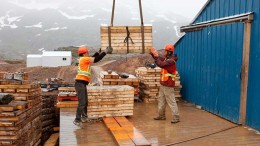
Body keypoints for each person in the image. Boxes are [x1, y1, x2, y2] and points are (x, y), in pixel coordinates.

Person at [73, 46, 113, 127]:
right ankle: (77, 120)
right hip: (80, 84)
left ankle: (84, 117)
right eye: (87, 52)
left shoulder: (84, 59)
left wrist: (98, 52)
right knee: (82, 103)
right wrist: (105, 52)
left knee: (85, 102)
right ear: (84, 54)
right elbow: (96, 59)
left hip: (81, 84)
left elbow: (93, 57)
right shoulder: (84, 59)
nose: (88, 54)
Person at [150, 44, 180, 123]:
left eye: (165, 51)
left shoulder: (171, 62)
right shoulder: (167, 59)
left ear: (169, 52)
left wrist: (156, 56)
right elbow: (159, 59)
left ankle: (176, 117)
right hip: (164, 84)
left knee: (171, 101)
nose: (164, 51)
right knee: (161, 101)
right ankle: (161, 116)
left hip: (168, 84)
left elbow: (161, 64)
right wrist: (154, 54)